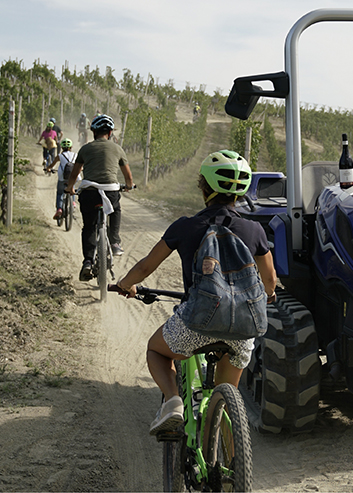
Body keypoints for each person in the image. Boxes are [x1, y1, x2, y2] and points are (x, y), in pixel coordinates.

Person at [114, 150, 278, 435]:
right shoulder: (254, 230)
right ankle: (229, 463)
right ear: (241, 192)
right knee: (225, 399)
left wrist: (126, 284)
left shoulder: (186, 226)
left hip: (197, 322)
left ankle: (173, 401)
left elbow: (145, 267)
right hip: (242, 329)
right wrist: (269, 294)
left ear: (204, 187)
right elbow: (270, 279)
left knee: (156, 350)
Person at [65, 114, 134, 281]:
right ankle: (115, 242)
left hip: (89, 192)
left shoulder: (85, 149)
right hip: (110, 191)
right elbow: (128, 177)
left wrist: (70, 188)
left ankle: (88, 261)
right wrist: (129, 186)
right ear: (110, 133)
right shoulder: (118, 149)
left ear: (94, 133)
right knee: (115, 209)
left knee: (89, 227)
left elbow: (75, 173)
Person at [47, 138, 79, 220]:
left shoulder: (60, 156)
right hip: (73, 176)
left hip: (63, 177)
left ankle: (59, 209)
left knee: (60, 193)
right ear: (71, 147)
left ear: (61, 147)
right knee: (72, 186)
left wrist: (49, 168)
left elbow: (52, 165)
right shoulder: (75, 155)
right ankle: (73, 202)